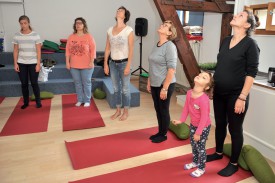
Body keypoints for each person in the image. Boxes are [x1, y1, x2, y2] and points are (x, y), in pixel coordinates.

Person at [207, 10, 260, 177]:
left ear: (247, 25)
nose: (236, 15)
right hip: (220, 92)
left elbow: (251, 73)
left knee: (235, 129)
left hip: (237, 95)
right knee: (220, 124)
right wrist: (213, 86)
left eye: (241, 15)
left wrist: (242, 97)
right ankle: (219, 152)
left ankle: (234, 163)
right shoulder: (226, 40)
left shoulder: (250, 44)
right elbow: (220, 65)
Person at [172, 72, 214, 178]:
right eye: (200, 74)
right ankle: (195, 162)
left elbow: (204, 118)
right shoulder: (189, 93)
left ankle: (201, 168)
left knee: (201, 148)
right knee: (193, 145)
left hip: (203, 127)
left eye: (204, 77)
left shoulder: (204, 99)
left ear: (207, 86)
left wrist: (198, 133)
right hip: (193, 124)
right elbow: (186, 108)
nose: (200, 76)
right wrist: (181, 120)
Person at [147, 20, 177, 143]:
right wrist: (149, 81)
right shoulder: (157, 44)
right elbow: (152, 65)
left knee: (163, 109)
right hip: (154, 82)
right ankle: (160, 131)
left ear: (169, 32)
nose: (161, 25)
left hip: (165, 84)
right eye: (162, 24)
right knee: (158, 109)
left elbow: (171, 69)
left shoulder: (170, 46)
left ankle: (163, 134)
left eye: (165, 26)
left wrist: (164, 88)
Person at [104, 6, 134, 121]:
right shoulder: (109, 30)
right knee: (116, 88)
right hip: (113, 63)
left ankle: (126, 111)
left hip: (124, 63)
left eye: (121, 10)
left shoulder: (129, 30)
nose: (118, 11)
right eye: (117, 10)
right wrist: (106, 64)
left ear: (125, 16)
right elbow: (107, 48)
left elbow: (131, 50)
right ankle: (118, 110)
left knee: (125, 89)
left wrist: (128, 65)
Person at [13, 15, 42, 109]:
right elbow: (15, 51)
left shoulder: (35, 35)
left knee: (34, 83)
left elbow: (38, 51)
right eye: (21, 23)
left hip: (33, 62)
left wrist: (38, 64)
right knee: (24, 84)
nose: (23, 25)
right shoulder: (17, 35)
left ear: (28, 23)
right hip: (21, 63)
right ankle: (26, 102)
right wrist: (15, 63)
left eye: (25, 23)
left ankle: (38, 101)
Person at [66, 17, 96, 107]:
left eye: (80, 23)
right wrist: (67, 62)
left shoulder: (89, 36)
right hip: (74, 65)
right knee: (77, 83)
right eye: (76, 23)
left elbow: (93, 50)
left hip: (87, 65)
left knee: (86, 83)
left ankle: (87, 100)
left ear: (84, 25)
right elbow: (68, 51)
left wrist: (91, 61)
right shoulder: (71, 37)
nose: (78, 25)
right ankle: (80, 99)